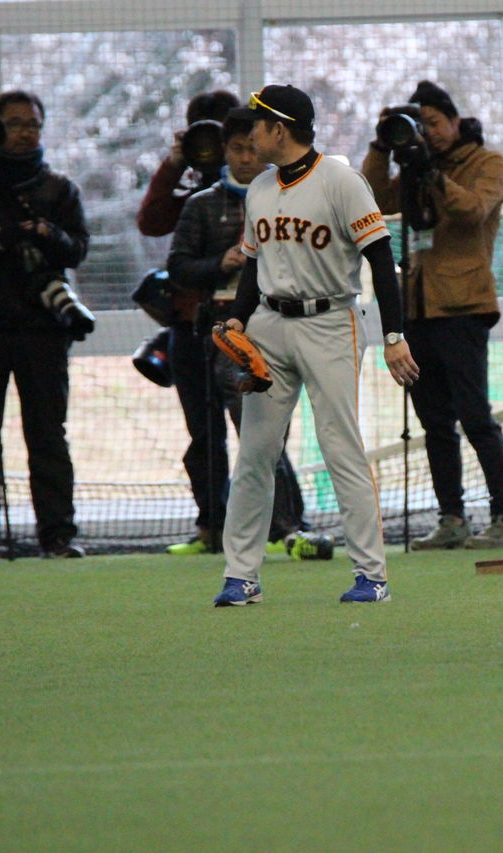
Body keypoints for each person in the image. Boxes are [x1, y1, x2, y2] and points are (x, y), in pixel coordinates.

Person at [212, 84, 419, 606]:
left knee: (340, 449)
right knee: (255, 453)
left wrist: (393, 336)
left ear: (280, 129)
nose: (249, 134)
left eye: (257, 124)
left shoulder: (341, 181)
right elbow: (253, 265)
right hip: (269, 325)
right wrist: (238, 319)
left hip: (330, 322)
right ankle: (241, 576)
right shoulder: (260, 188)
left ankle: (371, 575)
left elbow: (381, 260)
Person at [362, 81, 503, 551]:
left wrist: (431, 173)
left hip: (463, 306)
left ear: (455, 121)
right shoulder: (412, 166)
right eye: (420, 123)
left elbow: (473, 211)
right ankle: (451, 518)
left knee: (475, 416)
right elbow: (374, 200)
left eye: (434, 122)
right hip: (416, 307)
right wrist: (381, 146)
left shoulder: (487, 162)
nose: (427, 132)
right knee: (434, 421)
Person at [163, 113, 328, 560]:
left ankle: (289, 528)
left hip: (268, 331)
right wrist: (221, 263)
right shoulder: (201, 205)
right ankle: (212, 527)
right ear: (225, 152)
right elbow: (177, 267)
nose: (246, 158)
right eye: (237, 149)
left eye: (253, 148)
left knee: (262, 434)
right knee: (204, 438)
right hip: (206, 332)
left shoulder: (292, 199)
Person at [0, 90, 91, 560]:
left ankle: (58, 535)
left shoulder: (60, 190)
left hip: (44, 329)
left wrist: (46, 233)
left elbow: (78, 250)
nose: (25, 132)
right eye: (14, 123)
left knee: (48, 436)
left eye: (33, 124)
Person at [137, 89, 240, 238]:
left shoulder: (257, 182)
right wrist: (173, 166)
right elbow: (151, 224)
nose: (210, 146)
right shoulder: (197, 197)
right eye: (203, 139)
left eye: (217, 137)